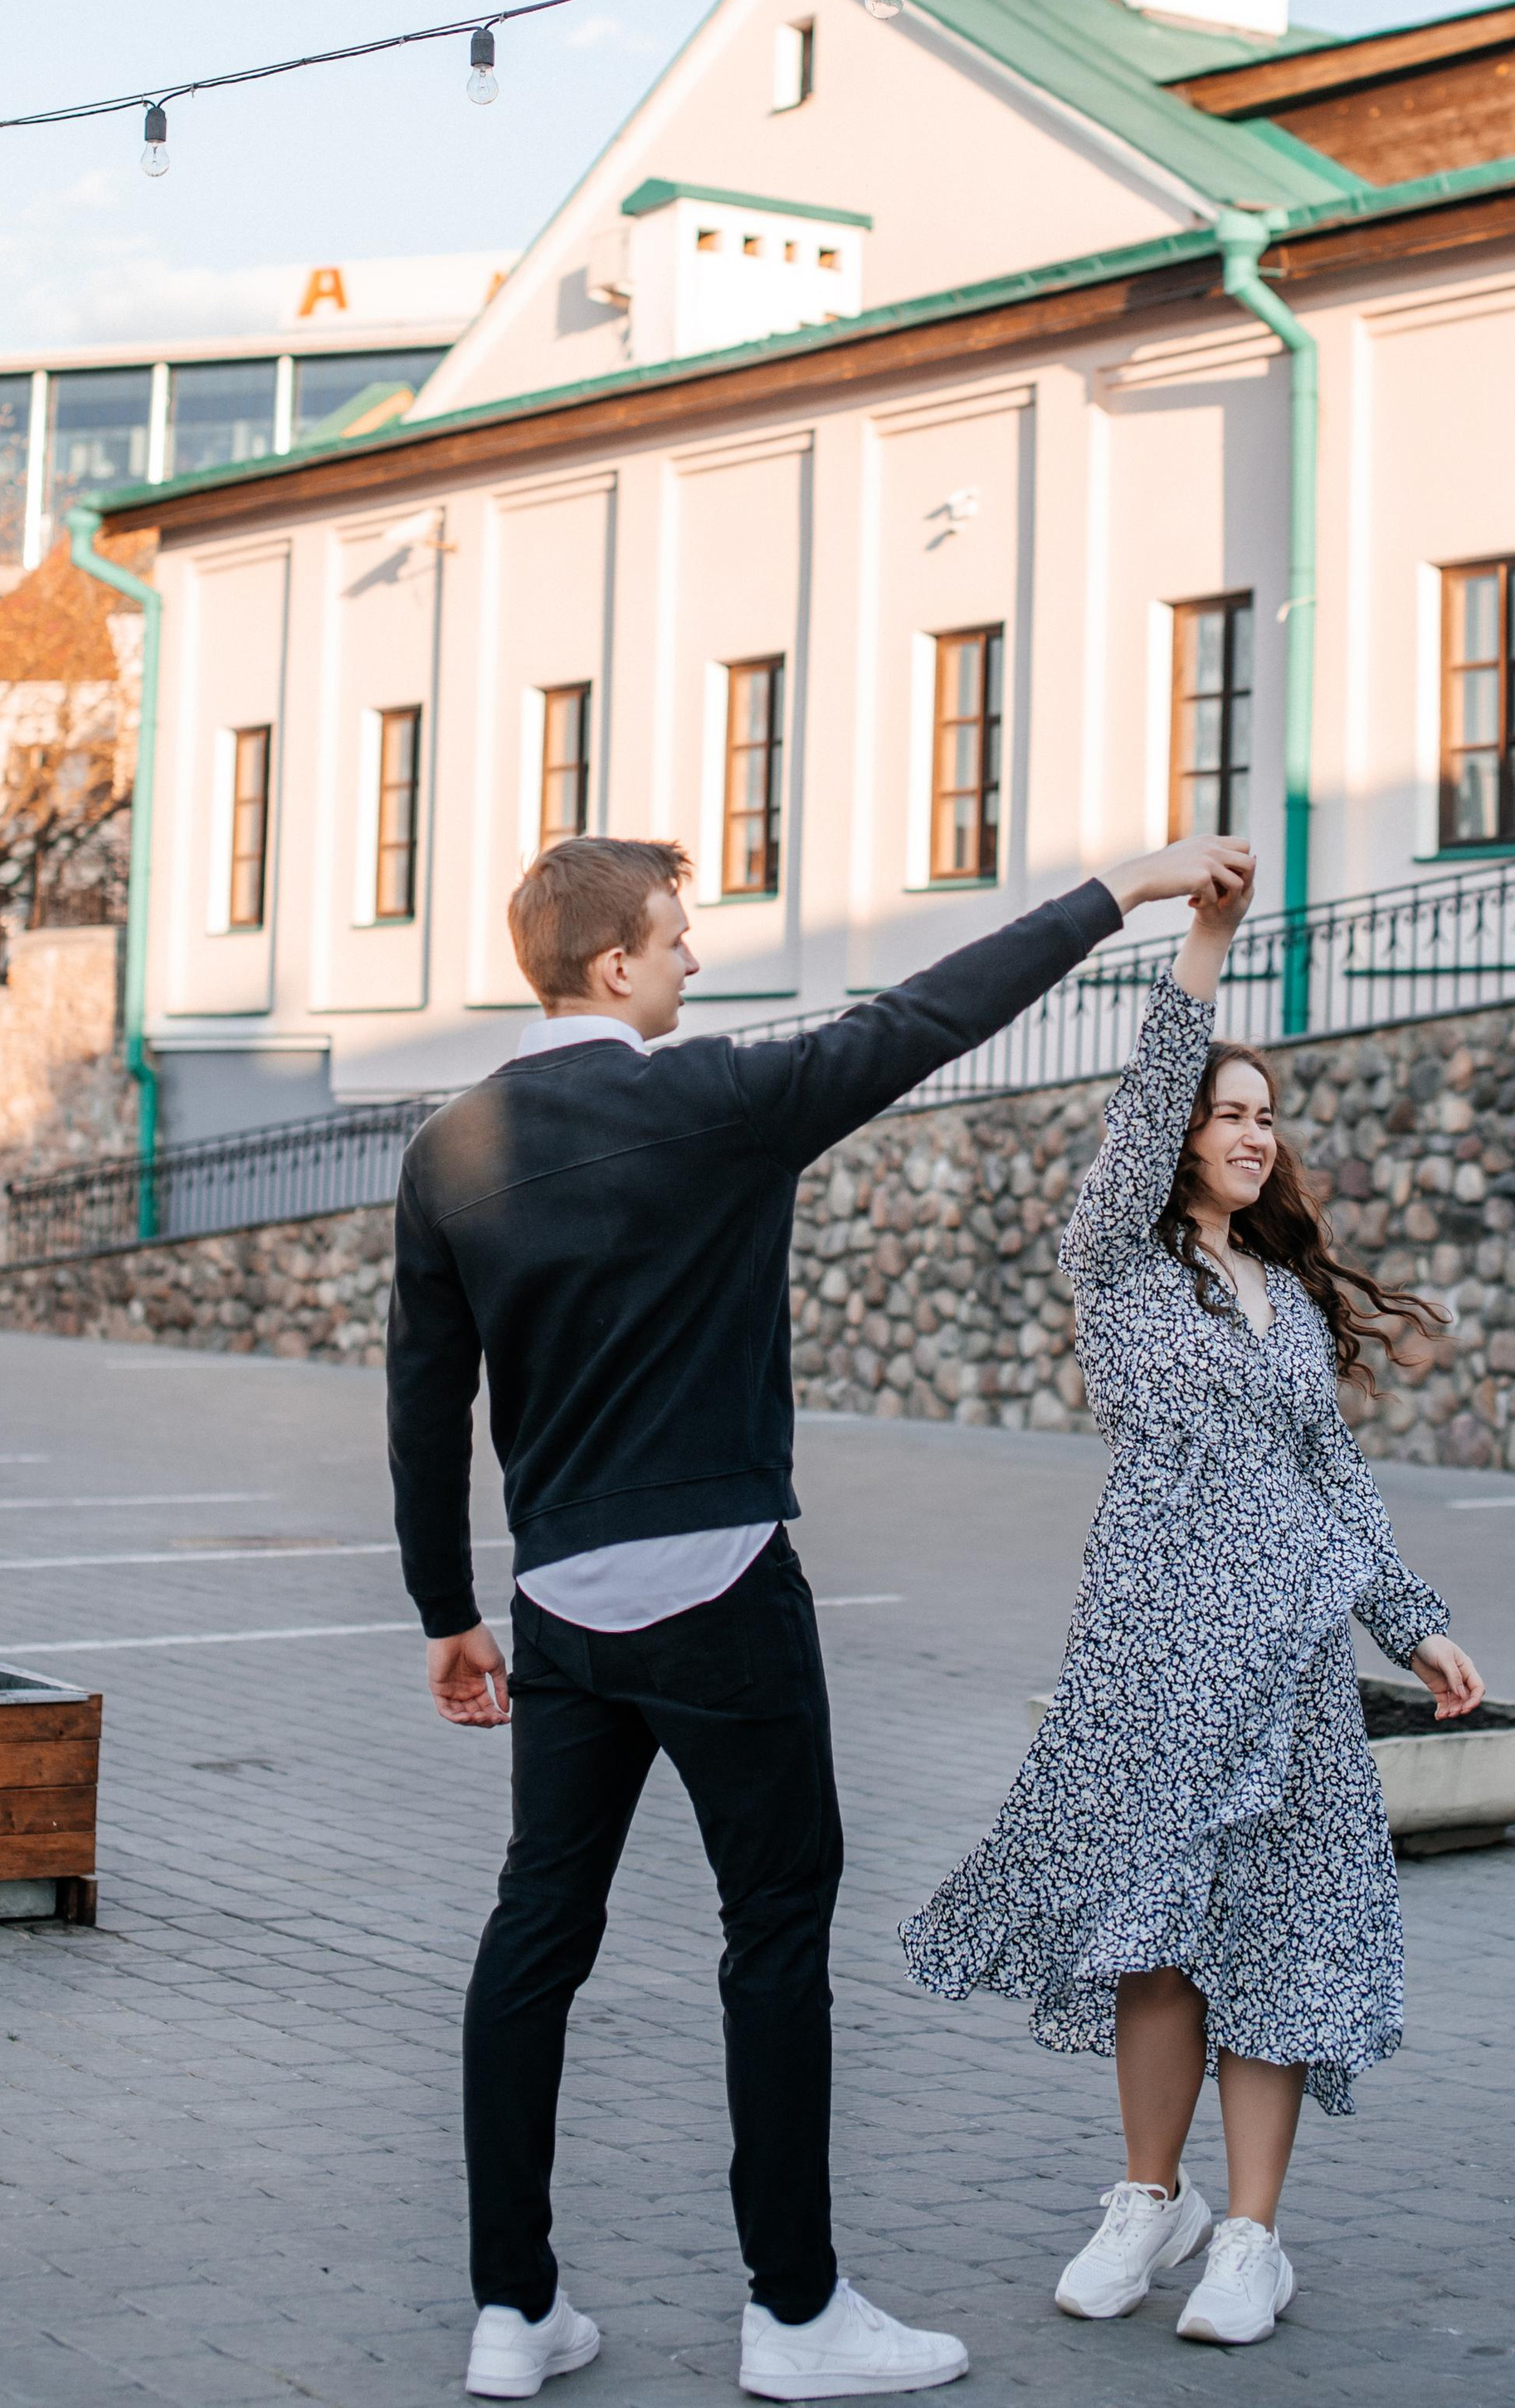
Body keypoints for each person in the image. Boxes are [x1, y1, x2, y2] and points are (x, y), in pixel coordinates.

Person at [385, 826, 1251, 2404]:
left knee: (535, 1938)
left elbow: (424, 1395)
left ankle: (513, 2311)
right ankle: (794, 2318)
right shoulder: (719, 1103)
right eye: (677, 935)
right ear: (612, 964)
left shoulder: (447, 1146)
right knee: (773, 1936)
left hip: (562, 1603)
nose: (697, 959)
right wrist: (1122, 891)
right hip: (721, 1589)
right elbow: (931, 1014)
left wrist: (447, 1605)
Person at [900, 851, 1484, 2351]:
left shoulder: (1285, 1299)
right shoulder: (1120, 1260)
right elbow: (1150, 1085)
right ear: (1179, 1139)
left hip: (1286, 1666)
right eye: (1225, 1111)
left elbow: (1333, 1481)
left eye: (1265, 1114)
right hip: (1153, 1651)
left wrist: (1410, 1620)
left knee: (1276, 1934)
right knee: (1154, 1931)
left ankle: (1250, 2237)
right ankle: (1145, 2198)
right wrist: (1202, 948)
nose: (1248, 1129)